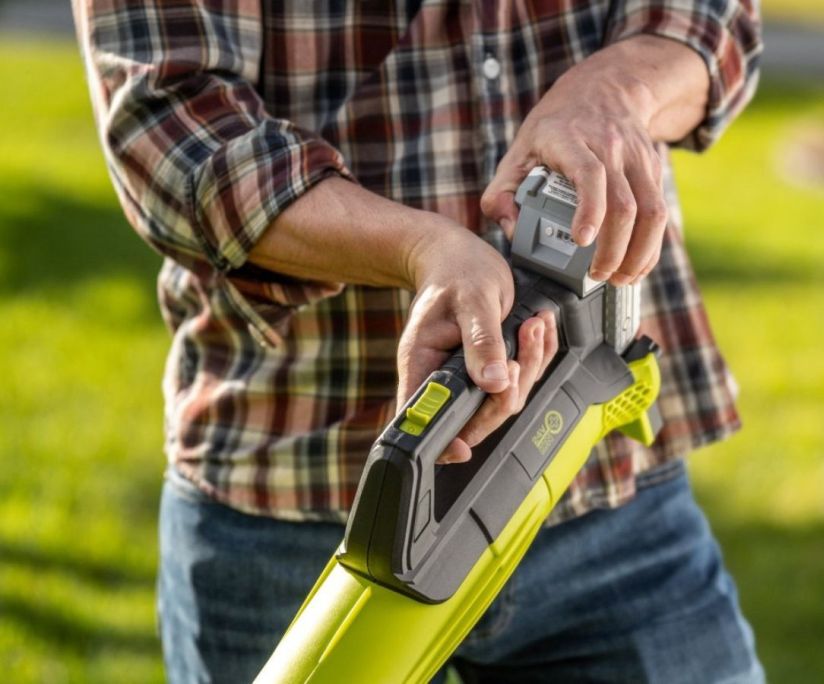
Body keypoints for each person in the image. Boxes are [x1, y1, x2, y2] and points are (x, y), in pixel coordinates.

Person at [73, 1, 763, 681]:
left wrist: (613, 94)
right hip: (295, 507)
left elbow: (708, 15)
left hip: (599, 483)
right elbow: (170, 125)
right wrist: (419, 249)